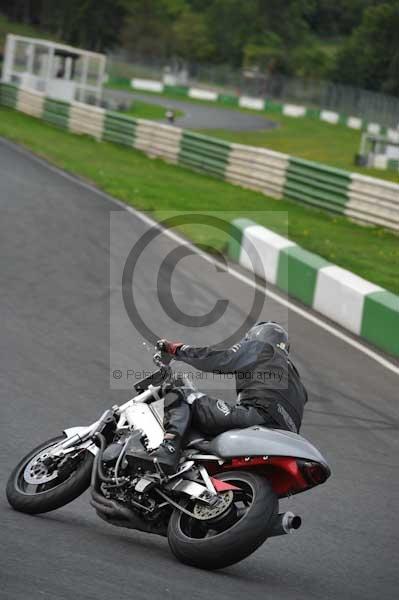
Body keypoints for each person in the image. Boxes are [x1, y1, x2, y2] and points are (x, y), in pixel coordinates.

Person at [147, 321, 308, 474]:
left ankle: (169, 448)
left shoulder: (262, 348)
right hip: (282, 441)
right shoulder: (298, 383)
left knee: (180, 393)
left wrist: (177, 349)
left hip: (257, 416)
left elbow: (219, 359)